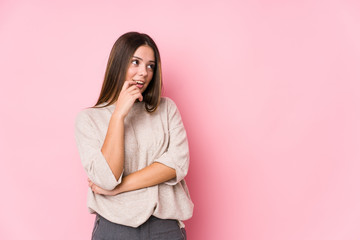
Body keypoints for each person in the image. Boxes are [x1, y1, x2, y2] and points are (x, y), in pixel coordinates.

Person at [74, 32, 194, 240]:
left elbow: (177, 164)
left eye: (150, 66)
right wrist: (118, 115)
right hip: (114, 227)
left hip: (164, 227)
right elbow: (106, 179)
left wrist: (119, 189)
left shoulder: (166, 109)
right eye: (135, 62)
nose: (144, 72)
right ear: (118, 64)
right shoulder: (88, 119)